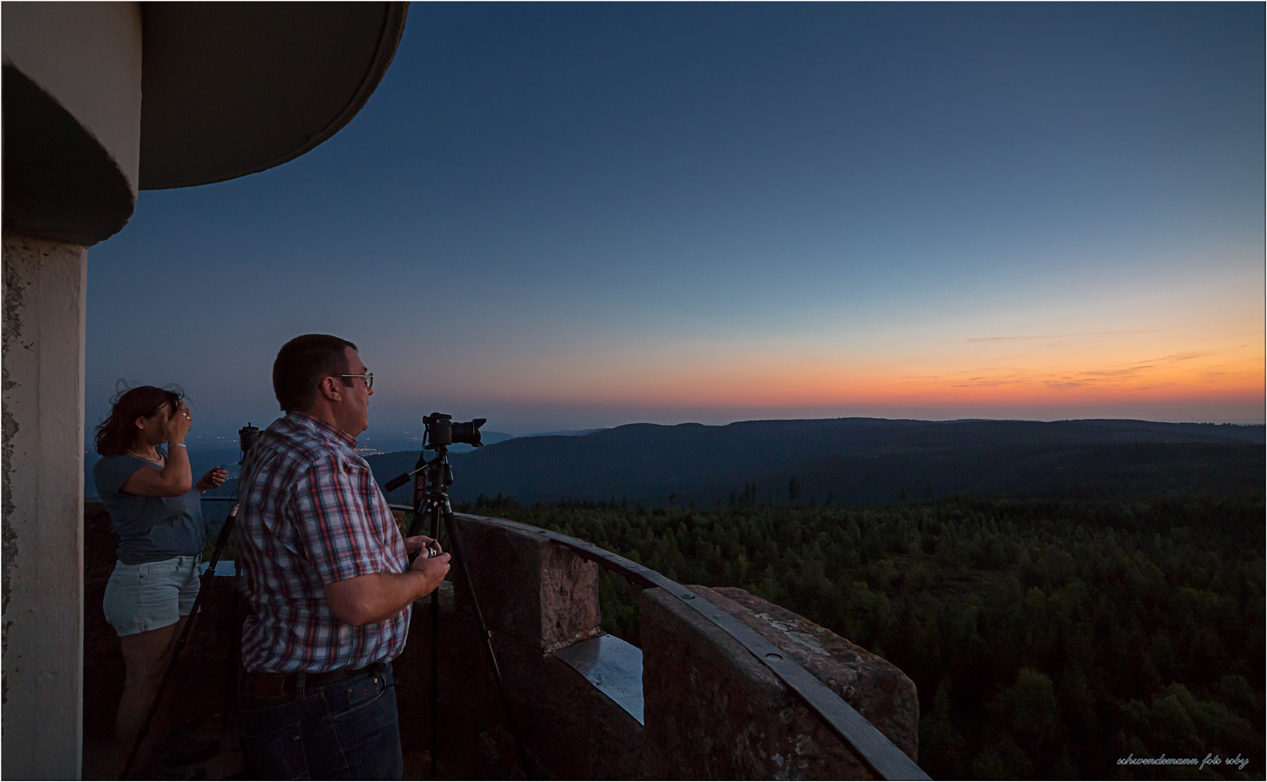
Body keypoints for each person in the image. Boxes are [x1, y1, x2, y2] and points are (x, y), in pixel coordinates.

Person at [235, 334, 451, 780]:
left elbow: (302, 549)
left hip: (292, 697)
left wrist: (393, 550)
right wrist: (423, 579)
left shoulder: (276, 445)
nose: (370, 390)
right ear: (332, 387)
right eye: (363, 378)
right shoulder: (323, 463)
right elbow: (359, 602)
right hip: (332, 705)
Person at [91, 385, 229, 774]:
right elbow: (172, 486)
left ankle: (163, 746)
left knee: (168, 668)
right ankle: (138, 763)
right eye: (166, 417)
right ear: (139, 421)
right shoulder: (114, 465)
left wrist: (200, 485)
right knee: (145, 676)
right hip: (147, 577)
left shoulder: (158, 460)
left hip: (184, 572)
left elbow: (175, 496)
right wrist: (179, 442)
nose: (175, 423)